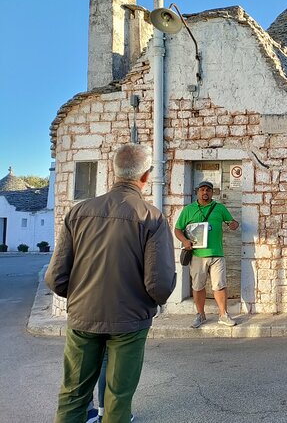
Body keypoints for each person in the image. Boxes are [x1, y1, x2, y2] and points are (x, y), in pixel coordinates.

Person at [45, 144, 177, 423]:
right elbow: (160, 285)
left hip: (83, 318)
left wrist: (83, 296)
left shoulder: (78, 213)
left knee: (72, 394)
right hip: (129, 323)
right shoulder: (151, 216)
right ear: (146, 176)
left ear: (113, 172)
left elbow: (56, 278)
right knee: (118, 399)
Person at [174, 180, 240, 328]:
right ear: (197, 192)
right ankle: (200, 315)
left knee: (220, 285)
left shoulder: (220, 208)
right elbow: (178, 229)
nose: (205, 192)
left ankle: (223, 315)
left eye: (208, 190)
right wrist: (185, 241)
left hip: (217, 254)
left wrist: (234, 224)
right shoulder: (188, 210)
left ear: (212, 192)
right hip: (197, 254)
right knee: (198, 286)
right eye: (202, 190)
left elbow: (232, 222)